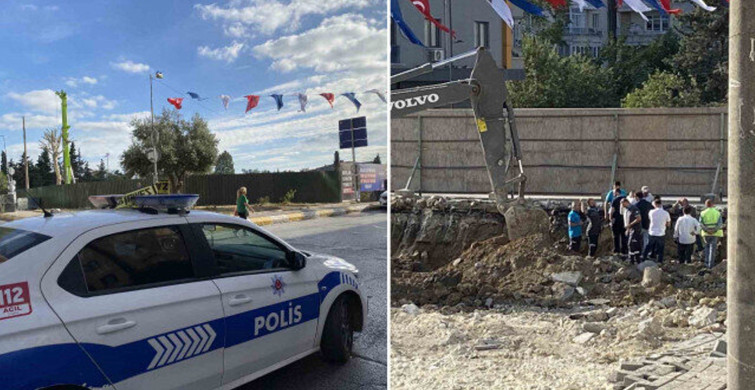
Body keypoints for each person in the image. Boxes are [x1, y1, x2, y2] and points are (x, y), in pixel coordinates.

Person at [642, 199, 671, 263]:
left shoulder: (651, 212)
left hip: (652, 232)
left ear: (655, 204)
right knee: (661, 248)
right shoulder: (666, 213)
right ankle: (660, 261)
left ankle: (644, 258)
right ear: (661, 204)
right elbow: (668, 223)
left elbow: (650, 219)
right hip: (661, 233)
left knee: (648, 246)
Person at [699, 199, 723, 268]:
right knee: (713, 249)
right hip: (715, 233)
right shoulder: (717, 212)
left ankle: (706, 263)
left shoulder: (703, 213)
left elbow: (701, 223)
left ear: (706, 205)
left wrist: (707, 230)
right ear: (712, 204)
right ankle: (711, 265)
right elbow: (720, 223)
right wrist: (714, 230)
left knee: (706, 247)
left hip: (706, 233)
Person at [622, 197, 643, 264]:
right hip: (630, 229)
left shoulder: (634, 209)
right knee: (633, 245)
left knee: (631, 244)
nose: (622, 206)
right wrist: (627, 229)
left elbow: (638, 218)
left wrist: (630, 225)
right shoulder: (627, 210)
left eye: (622, 204)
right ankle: (635, 259)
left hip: (635, 229)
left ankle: (633, 260)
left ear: (626, 202)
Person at [609, 189, 628, 256]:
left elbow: (612, 210)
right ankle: (624, 250)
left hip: (616, 220)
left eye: (614, 193)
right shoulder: (626, 199)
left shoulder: (615, 200)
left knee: (616, 236)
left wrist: (610, 219)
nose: (613, 194)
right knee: (624, 236)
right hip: (624, 220)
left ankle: (616, 250)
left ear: (617, 193)